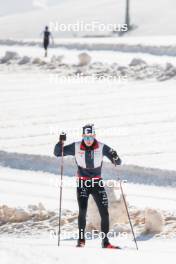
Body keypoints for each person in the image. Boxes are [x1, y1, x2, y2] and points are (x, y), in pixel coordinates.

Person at [54, 124, 122, 249]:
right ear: (83, 137)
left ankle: (105, 242)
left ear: (94, 136)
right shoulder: (76, 146)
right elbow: (57, 153)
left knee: (104, 213)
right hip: (82, 183)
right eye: (86, 138)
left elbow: (118, 162)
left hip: (97, 183)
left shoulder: (102, 147)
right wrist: (61, 141)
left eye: (90, 138)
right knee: (82, 211)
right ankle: (81, 241)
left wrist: (115, 156)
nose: (88, 141)